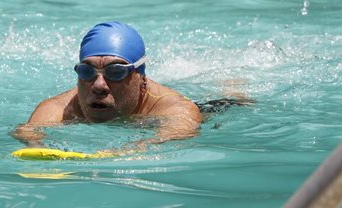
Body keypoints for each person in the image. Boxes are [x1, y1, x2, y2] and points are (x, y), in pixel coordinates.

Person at [13, 21, 202, 148]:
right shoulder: (60, 108)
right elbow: (28, 132)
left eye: (116, 72)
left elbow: (181, 130)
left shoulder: (173, 107)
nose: (98, 85)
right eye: (87, 72)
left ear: (142, 80)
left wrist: (122, 153)